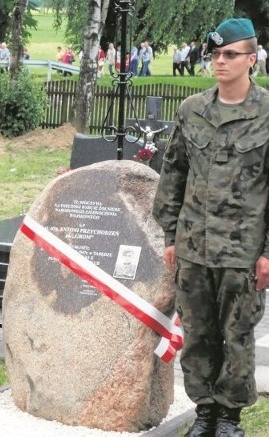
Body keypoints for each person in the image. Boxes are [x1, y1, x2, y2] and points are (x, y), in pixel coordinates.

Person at [152, 17, 267, 437]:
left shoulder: (268, 113)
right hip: (194, 247)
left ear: (250, 60)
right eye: (215, 54)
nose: (220, 61)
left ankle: (230, 417)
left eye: (229, 54)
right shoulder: (192, 110)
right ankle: (204, 412)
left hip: (243, 250)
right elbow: (174, 174)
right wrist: (169, 236)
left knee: (236, 336)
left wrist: (268, 251)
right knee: (197, 333)